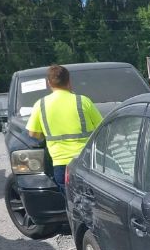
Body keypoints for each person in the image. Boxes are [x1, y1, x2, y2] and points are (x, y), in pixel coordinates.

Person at [26, 65, 102, 194]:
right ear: (69, 81)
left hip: (61, 164)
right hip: (86, 161)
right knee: (92, 202)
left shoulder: (41, 104)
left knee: (72, 202)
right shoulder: (82, 101)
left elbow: (33, 133)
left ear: (48, 83)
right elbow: (101, 127)